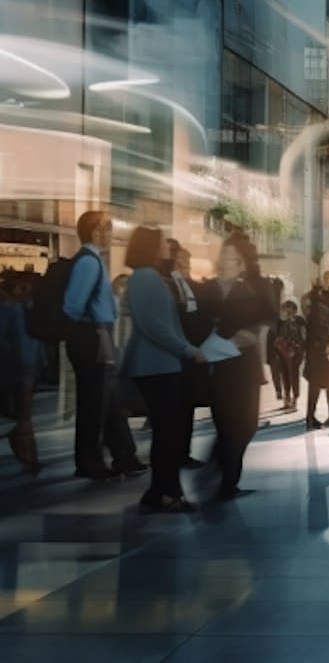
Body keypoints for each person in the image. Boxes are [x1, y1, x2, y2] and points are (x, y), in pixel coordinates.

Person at [120, 227, 207, 513]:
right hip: (156, 366)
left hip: (159, 365)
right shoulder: (146, 278)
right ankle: (168, 493)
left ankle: (159, 490)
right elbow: (156, 326)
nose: (167, 246)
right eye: (161, 242)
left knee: (166, 432)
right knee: (169, 433)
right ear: (151, 247)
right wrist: (187, 350)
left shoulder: (148, 278)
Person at [63, 210, 144, 480]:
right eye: (108, 228)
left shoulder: (93, 260)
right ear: (96, 232)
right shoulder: (88, 262)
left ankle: (124, 455)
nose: (111, 233)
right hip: (94, 337)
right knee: (94, 404)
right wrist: (96, 331)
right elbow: (73, 306)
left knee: (109, 401)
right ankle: (89, 461)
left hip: (99, 335)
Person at [199, 234, 274, 499]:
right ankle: (227, 482)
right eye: (223, 256)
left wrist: (227, 337)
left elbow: (256, 332)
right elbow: (198, 326)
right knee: (225, 423)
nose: (225, 262)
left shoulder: (250, 292)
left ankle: (224, 472)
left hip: (245, 367)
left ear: (241, 263)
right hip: (219, 367)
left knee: (247, 425)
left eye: (231, 258)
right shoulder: (206, 290)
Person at [163, 239, 208, 466]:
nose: (184, 262)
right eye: (180, 257)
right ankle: (173, 454)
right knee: (175, 407)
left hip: (190, 351)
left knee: (187, 405)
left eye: (186, 258)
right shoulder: (166, 283)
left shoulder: (189, 284)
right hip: (176, 350)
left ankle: (183, 452)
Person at [2, 272, 43, 471]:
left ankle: (28, 454)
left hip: (23, 365)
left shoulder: (16, 309)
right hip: (23, 365)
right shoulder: (18, 309)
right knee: (24, 414)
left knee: (24, 414)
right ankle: (29, 455)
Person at [302, 272, 329, 429]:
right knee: (321, 380)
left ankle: (326, 416)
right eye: (328, 281)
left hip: (323, 345)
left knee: (324, 380)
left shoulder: (324, 300)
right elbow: (319, 325)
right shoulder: (319, 301)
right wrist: (327, 346)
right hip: (321, 346)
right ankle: (317, 418)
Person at [273, 300, 306, 411]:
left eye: (289, 308)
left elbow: (303, 337)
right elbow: (275, 337)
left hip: (295, 353)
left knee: (294, 375)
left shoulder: (299, 321)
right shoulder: (280, 322)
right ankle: (287, 399)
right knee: (285, 375)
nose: (287, 311)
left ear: (294, 310)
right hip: (282, 353)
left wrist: (300, 350)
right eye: (285, 308)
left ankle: (295, 400)